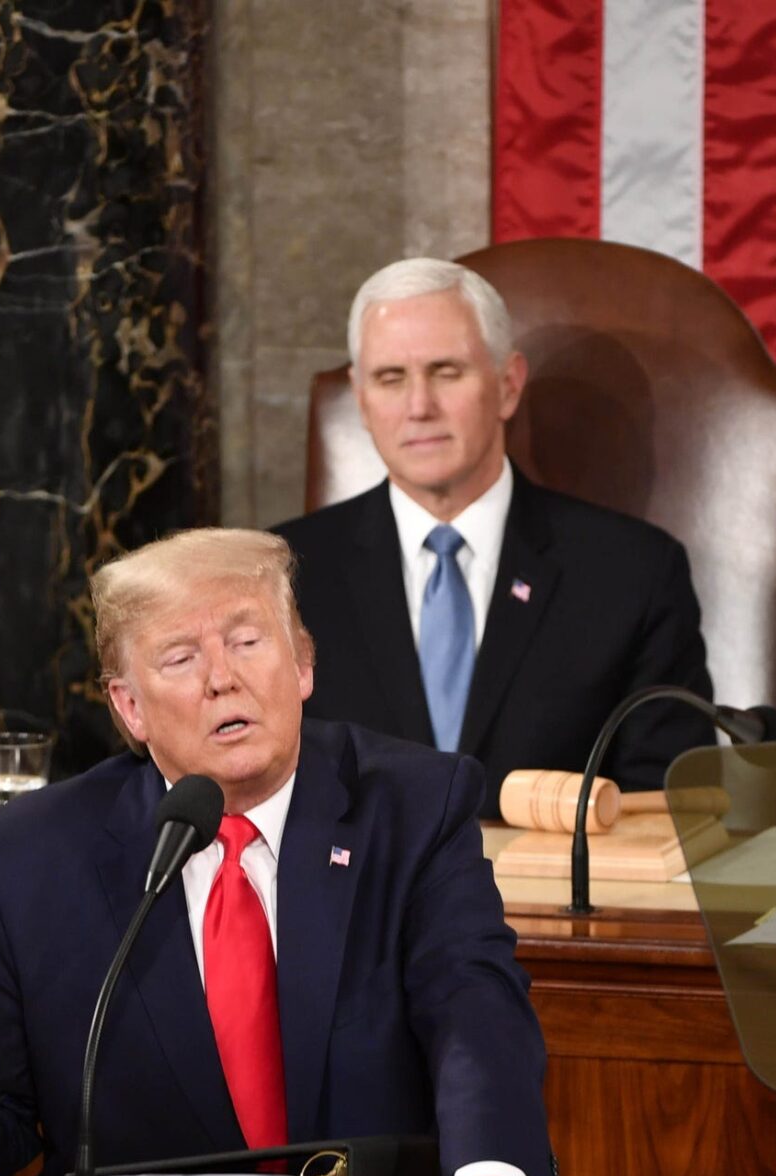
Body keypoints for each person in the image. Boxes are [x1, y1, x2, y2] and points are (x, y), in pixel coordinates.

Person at [0, 528, 563, 1176]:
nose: (221, 679)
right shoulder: (26, 860)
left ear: (302, 663)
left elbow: (473, 1004)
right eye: (181, 658)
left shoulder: (414, 807)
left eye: (247, 641)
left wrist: (494, 1168)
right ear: (129, 706)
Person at [273, 257, 714, 812]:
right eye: (391, 379)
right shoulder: (283, 578)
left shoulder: (634, 575)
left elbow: (666, 809)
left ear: (508, 386)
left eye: (446, 372)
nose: (419, 407)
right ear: (361, 401)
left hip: (556, 895)